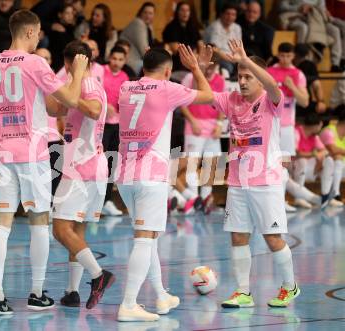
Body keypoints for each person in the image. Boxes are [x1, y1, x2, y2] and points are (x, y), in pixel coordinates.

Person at [0, 9, 88, 315]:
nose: (39, 38)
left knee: (1, 225)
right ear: (28, 32)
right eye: (38, 33)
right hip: (32, 151)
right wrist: (76, 73)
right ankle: (37, 293)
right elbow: (72, 100)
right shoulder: (36, 62)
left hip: (2, 152)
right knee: (39, 222)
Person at [116, 44, 214, 321]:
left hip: (124, 174)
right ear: (169, 71)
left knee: (150, 237)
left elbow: (145, 82)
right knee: (145, 239)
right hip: (151, 175)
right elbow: (207, 96)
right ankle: (128, 304)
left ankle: (161, 295)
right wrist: (196, 68)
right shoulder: (167, 88)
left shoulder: (125, 87)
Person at [201, 39, 300, 309]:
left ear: (258, 78)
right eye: (240, 76)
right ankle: (243, 292)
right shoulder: (232, 100)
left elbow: (273, 85)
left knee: (272, 238)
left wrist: (244, 60)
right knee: (238, 236)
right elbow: (206, 95)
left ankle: (290, 286)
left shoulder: (270, 101)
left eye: (247, 76)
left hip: (266, 181)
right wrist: (200, 69)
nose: (242, 81)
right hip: (237, 182)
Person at [52, 41, 115, 310]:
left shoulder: (86, 84)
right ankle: (72, 291)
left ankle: (99, 275)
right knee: (76, 231)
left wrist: (75, 79)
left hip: (82, 166)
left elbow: (94, 110)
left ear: (71, 64)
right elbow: (54, 109)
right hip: (90, 165)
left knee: (60, 229)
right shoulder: (82, 85)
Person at [267, 42, 309, 211]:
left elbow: (305, 102)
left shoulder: (298, 74)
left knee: (284, 164)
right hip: (269, 123)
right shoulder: (269, 72)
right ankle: (271, 199)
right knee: (269, 162)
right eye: (282, 55)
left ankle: (281, 200)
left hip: (286, 126)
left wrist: (292, 86)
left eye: (288, 56)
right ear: (278, 55)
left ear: (293, 56)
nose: (284, 59)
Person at [180, 57, 225, 214]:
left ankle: (206, 199)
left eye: (213, 67)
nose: (210, 70)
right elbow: (182, 102)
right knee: (192, 163)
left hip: (212, 126)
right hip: (195, 125)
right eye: (208, 67)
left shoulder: (220, 80)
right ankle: (193, 199)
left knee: (211, 164)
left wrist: (219, 125)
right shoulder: (190, 77)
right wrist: (192, 121)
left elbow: (221, 103)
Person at [100, 46, 129, 216]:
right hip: (101, 125)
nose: (117, 62)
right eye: (114, 58)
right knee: (99, 164)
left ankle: (107, 200)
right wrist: (105, 105)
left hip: (117, 125)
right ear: (109, 58)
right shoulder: (100, 71)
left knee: (111, 163)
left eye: (120, 59)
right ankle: (94, 201)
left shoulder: (125, 77)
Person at [279, 0, 344, 72]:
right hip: (297, 16)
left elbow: (322, 7)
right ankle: (301, 60)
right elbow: (282, 6)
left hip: (316, 19)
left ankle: (335, 64)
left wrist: (323, 11)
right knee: (303, 28)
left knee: (334, 30)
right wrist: (299, 7)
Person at [35, 47, 65, 198]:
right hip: (36, 137)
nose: (43, 61)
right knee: (39, 175)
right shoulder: (30, 79)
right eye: (40, 58)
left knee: (56, 172)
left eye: (46, 58)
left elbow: (60, 112)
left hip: (53, 136)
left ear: (51, 61)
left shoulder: (56, 81)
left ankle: (51, 203)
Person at [293, 113, 340, 208]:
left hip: (310, 168)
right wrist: (314, 154)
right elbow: (295, 153)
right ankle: (298, 198)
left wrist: (320, 157)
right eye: (320, 125)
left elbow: (325, 151)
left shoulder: (314, 136)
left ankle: (325, 196)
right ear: (314, 126)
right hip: (293, 166)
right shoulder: (296, 132)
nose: (320, 128)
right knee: (302, 161)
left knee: (329, 160)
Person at [163, 1, 201, 72]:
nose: (185, 13)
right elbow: (175, 49)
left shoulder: (193, 26)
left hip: (195, 59)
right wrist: (193, 56)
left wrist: (201, 56)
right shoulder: (171, 27)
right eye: (182, 10)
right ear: (177, 12)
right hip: (179, 62)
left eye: (187, 10)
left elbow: (200, 43)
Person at [204, 3, 242, 76]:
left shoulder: (237, 28)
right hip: (216, 58)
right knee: (228, 67)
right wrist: (231, 60)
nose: (230, 17)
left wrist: (237, 59)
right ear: (221, 14)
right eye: (228, 14)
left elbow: (238, 48)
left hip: (233, 58)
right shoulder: (215, 27)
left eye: (233, 14)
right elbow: (214, 49)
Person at [120, 2, 156, 74]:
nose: (147, 16)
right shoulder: (138, 23)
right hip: (130, 61)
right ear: (140, 13)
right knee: (156, 68)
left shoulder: (148, 26)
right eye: (145, 12)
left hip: (139, 60)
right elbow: (144, 51)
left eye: (150, 13)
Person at [320, 105, 345, 205]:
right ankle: (335, 194)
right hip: (324, 167)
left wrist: (340, 151)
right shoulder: (329, 131)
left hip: (340, 168)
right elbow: (333, 150)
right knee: (338, 159)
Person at [294, 43, 327, 118]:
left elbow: (316, 85)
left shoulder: (308, 65)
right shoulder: (309, 65)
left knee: (322, 111)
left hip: (303, 102)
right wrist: (321, 101)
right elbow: (317, 85)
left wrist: (321, 102)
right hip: (292, 102)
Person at [48, 4, 76, 71]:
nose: (70, 16)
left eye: (72, 13)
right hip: (57, 65)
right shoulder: (57, 30)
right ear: (60, 15)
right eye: (67, 13)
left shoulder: (71, 29)